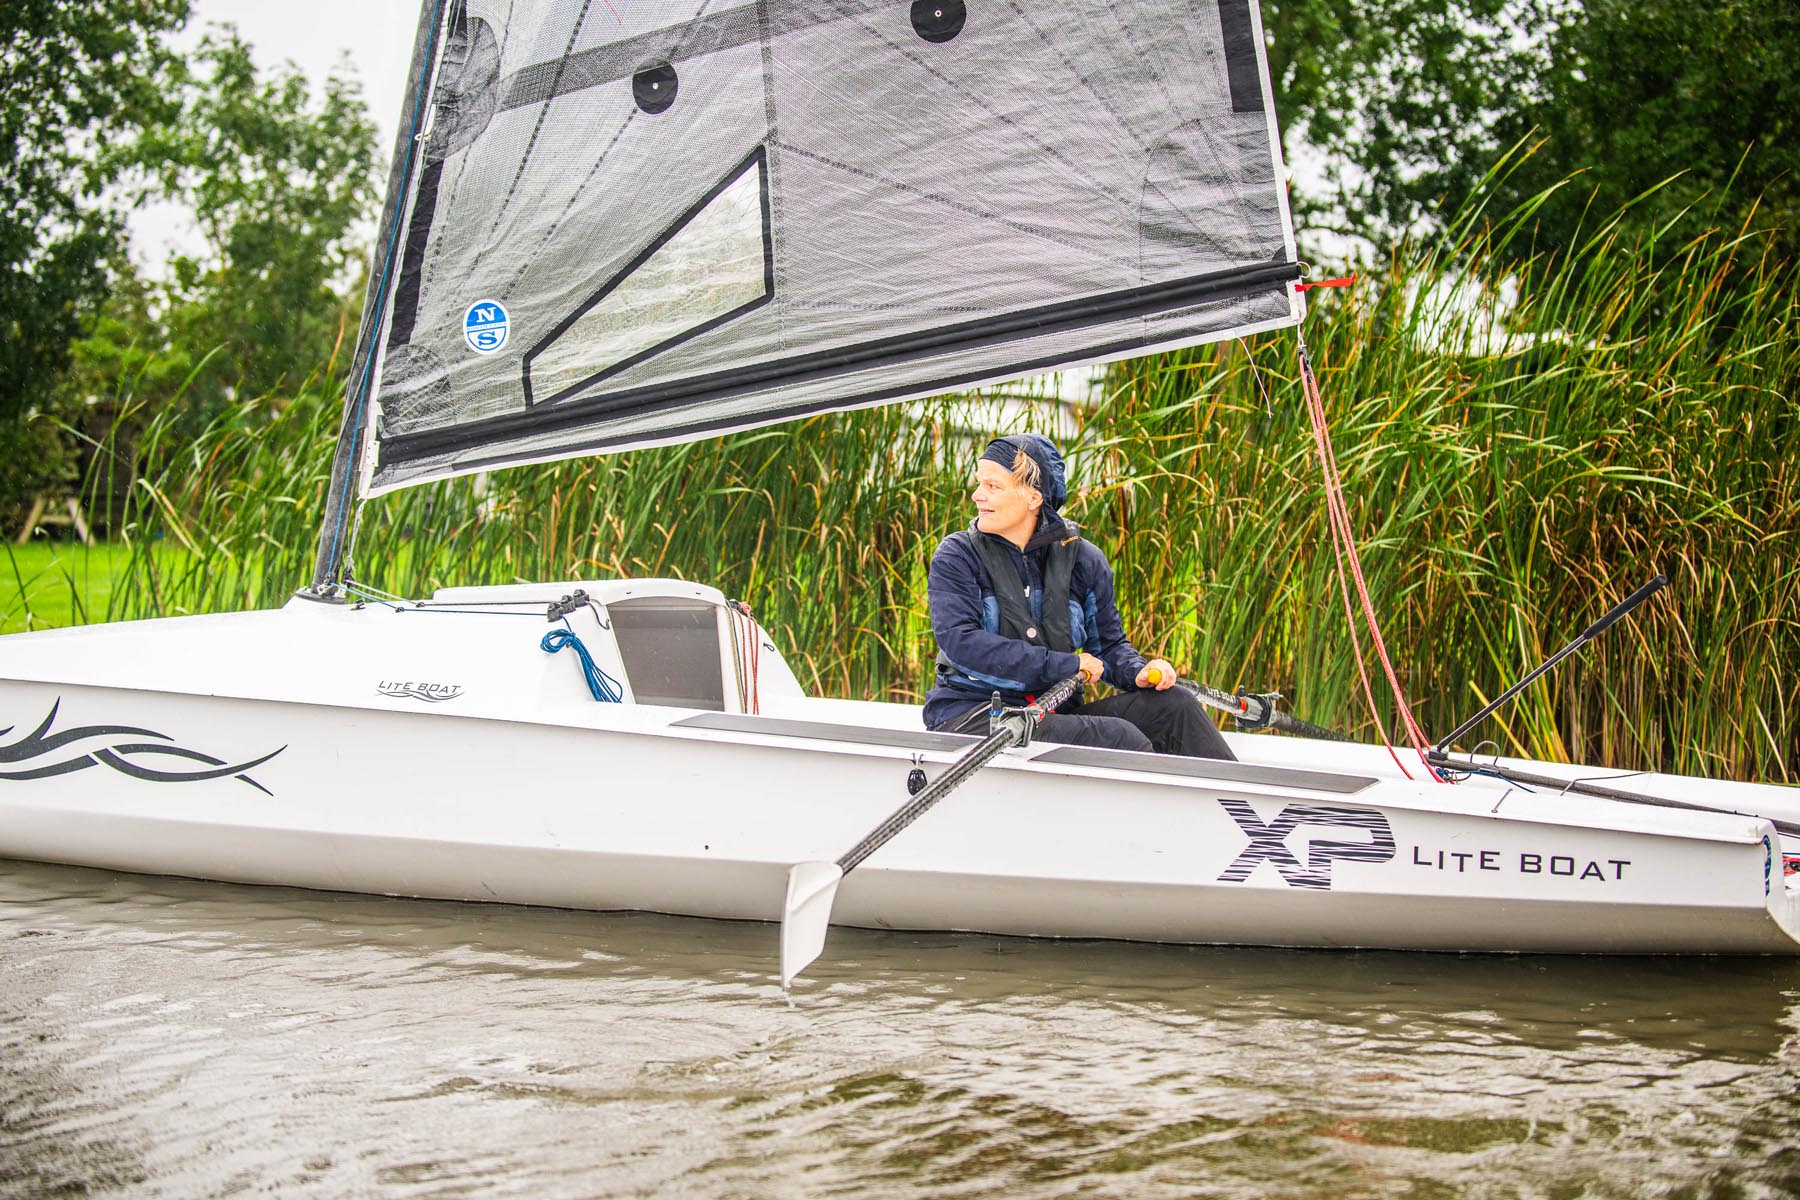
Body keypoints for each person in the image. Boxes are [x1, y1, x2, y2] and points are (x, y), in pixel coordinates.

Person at [922, 433, 1235, 760]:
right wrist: (1066, 664)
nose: (976, 495)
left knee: (1176, 704)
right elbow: (962, 643)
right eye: (979, 484)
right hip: (974, 716)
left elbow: (1109, 647)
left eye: (992, 486)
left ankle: (1235, 804)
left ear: (1033, 496)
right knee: (1118, 738)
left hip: (1053, 714)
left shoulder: (1084, 560)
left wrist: (1136, 671)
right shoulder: (957, 555)